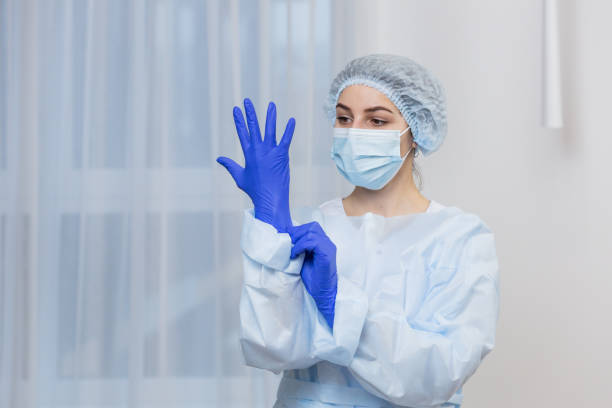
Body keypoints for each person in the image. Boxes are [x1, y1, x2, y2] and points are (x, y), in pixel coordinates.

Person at [216, 54, 500, 408]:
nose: (354, 134)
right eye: (344, 118)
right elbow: (270, 348)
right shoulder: (310, 229)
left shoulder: (459, 238)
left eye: (377, 121)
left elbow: (439, 375)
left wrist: (336, 300)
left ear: (417, 132)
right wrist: (269, 226)